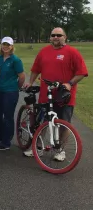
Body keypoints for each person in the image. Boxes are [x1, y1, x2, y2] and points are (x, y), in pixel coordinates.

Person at [23, 27, 88, 159]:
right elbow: (36, 69)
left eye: (59, 35)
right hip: (45, 94)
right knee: (42, 122)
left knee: (64, 123)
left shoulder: (72, 52)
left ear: (65, 37)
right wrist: (30, 81)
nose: (56, 37)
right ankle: (38, 148)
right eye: (53, 35)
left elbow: (81, 72)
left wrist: (69, 83)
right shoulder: (44, 51)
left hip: (64, 95)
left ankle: (60, 151)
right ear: (50, 37)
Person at [0, 37, 25, 150]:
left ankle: (6, 141)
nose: (5, 46)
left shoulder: (15, 60)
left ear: (12, 46)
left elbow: (21, 77)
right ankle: (1, 135)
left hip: (10, 91)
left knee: (8, 116)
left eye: (8, 45)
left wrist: (17, 87)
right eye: (3, 44)